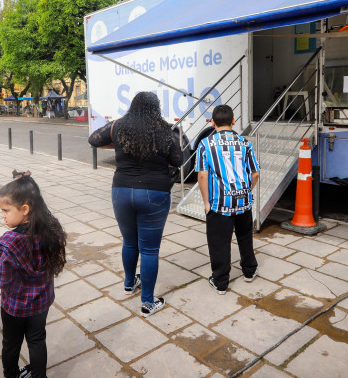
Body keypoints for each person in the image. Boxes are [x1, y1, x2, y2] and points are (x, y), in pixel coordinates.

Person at [88, 92, 182, 317]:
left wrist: (119, 145)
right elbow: (178, 159)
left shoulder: (118, 126)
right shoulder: (165, 130)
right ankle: (148, 302)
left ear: (133, 106)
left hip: (121, 191)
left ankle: (129, 284)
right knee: (149, 249)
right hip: (154, 193)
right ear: (156, 108)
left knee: (129, 242)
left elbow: (93, 139)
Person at [0, 170, 66, 378]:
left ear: (25, 209)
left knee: (11, 342)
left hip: (13, 305)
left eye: (6, 210)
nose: (2, 216)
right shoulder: (50, 229)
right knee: (37, 341)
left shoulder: (9, 242)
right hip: (40, 303)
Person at [196, 104, 260, 295]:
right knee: (245, 237)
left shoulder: (205, 144)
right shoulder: (245, 143)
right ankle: (249, 272)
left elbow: (202, 175)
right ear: (233, 121)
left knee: (219, 242)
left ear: (212, 122)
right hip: (243, 201)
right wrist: (246, 191)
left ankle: (221, 282)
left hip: (220, 203)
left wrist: (206, 203)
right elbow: (255, 173)